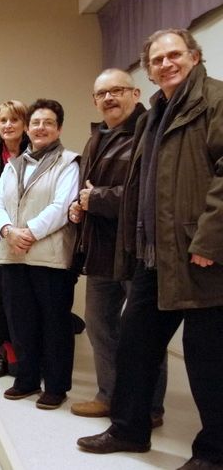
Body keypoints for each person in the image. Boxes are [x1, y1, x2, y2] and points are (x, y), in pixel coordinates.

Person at [78, 29, 223, 469]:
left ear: (194, 57)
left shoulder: (215, 101)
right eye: (157, 59)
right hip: (153, 255)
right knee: (135, 345)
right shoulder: (154, 112)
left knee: (208, 360)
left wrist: (210, 239)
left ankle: (215, 453)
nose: (166, 64)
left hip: (199, 255)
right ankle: (128, 429)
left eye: (174, 55)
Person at [68, 69, 167, 423]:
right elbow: (85, 189)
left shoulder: (150, 132)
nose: (109, 98)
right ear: (94, 101)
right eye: (102, 94)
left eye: (117, 91)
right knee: (99, 325)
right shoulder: (96, 137)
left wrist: (96, 199)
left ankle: (148, 407)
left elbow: (148, 192)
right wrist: (78, 206)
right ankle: (110, 395)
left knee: (142, 332)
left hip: (137, 249)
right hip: (101, 249)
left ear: (136, 93)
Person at [0, 99, 79, 410]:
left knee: (54, 323)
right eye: (36, 122)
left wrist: (28, 232)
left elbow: (62, 207)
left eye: (48, 123)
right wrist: (8, 232)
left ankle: (55, 387)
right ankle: (26, 379)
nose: (41, 128)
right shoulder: (12, 164)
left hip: (49, 257)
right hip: (12, 254)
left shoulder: (68, 162)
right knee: (20, 321)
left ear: (59, 129)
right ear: (28, 128)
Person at [0, 101, 32, 376]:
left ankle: (29, 359)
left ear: (24, 123)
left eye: (14, 120)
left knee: (26, 303)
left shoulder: (36, 152)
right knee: (0, 303)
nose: (8, 126)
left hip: (32, 237)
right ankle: (5, 355)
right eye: (3, 121)